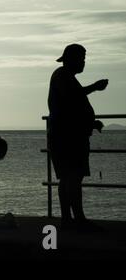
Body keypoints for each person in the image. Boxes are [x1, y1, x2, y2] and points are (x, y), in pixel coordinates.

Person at [48, 43, 108, 232]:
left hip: (67, 136)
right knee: (72, 178)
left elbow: (72, 108)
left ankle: (69, 220)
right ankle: (77, 219)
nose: (83, 63)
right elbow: (71, 101)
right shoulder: (62, 76)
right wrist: (95, 87)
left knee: (68, 179)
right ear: (71, 60)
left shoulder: (65, 77)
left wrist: (91, 123)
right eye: (81, 59)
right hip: (68, 138)